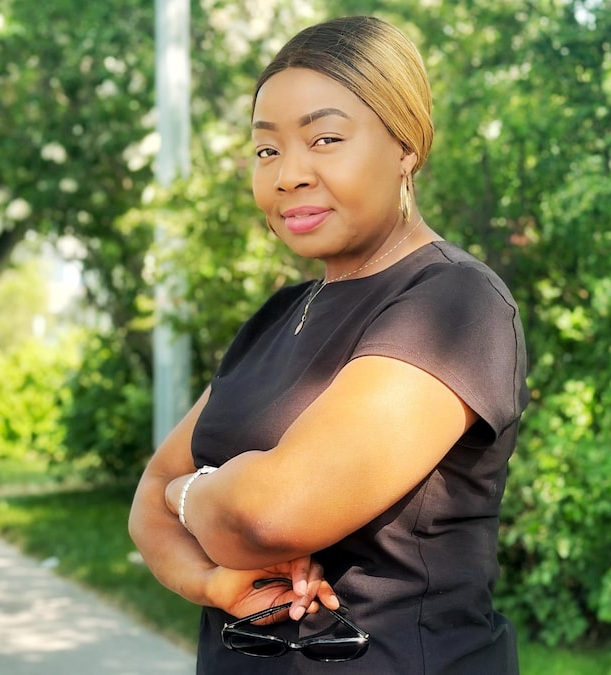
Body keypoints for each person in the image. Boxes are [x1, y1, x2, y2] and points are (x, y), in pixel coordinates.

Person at [129, 15, 529, 674]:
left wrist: (191, 494)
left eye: (326, 138)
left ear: (406, 146)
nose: (289, 174)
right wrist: (214, 582)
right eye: (267, 150)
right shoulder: (279, 315)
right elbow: (149, 498)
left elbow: (271, 513)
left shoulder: (454, 302)